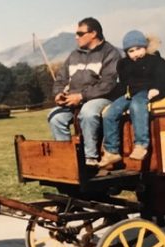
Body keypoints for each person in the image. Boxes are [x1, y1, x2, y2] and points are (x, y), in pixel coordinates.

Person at [48, 17, 122, 166]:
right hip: (75, 99)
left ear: (93, 33)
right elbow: (61, 78)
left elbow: (108, 84)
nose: (76, 37)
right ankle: (68, 160)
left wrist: (82, 96)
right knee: (55, 118)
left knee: (88, 112)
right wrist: (58, 94)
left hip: (103, 98)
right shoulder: (74, 55)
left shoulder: (111, 53)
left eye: (80, 33)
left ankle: (91, 159)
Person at [98, 30, 165, 167]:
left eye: (138, 49)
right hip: (129, 93)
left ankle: (141, 144)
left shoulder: (154, 60)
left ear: (145, 47)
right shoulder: (124, 64)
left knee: (136, 106)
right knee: (110, 113)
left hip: (146, 91)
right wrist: (114, 98)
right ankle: (111, 151)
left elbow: (164, 76)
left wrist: (157, 88)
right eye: (131, 51)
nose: (135, 53)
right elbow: (123, 84)